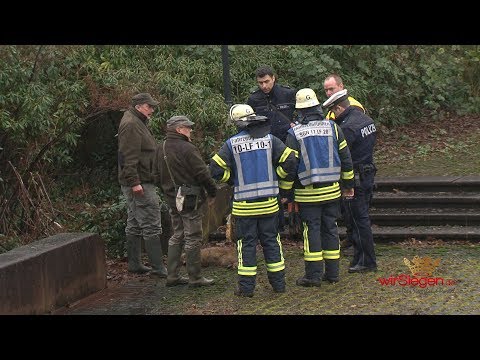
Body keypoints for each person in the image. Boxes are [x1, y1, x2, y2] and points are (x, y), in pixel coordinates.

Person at [210, 104, 298, 297]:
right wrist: (279, 180)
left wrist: (232, 179)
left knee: (246, 246)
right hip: (269, 205)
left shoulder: (231, 144)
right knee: (272, 243)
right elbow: (291, 160)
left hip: (244, 208)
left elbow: (215, 169)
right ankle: (279, 286)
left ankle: (246, 289)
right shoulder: (270, 139)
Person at [284, 88, 355, 286]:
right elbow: (346, 159)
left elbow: (290, 166)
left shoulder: (294, 133)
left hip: (307, 195)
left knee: (312, 232)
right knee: (331, 229)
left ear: (299, 111)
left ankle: (313, 276)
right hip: (332, 191)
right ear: (317, 106)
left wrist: (287, 193)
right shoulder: (333, 128)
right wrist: (349, 185)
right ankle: (332, 274)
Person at [154, 115, 217, 287]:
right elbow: (202, 173)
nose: (191, 130)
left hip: (171, 198)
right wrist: (212, 191)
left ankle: (172, 276)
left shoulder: (161, 147)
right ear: (179, 129)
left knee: (177, 235)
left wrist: (168, 192)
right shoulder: (187, 148)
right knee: (193, 237)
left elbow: (156, 176)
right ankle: (195, 278)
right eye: (188, 127)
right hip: (190, 199)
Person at [323, 89, 378, 273]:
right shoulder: (365, 120)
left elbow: (342, 156)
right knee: (362, 218)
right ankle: (361, 258)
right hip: (368, 174)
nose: (333, 115)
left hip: (355, 179)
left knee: (357, 220)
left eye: (333, 111)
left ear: (339, 108)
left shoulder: (346, 128)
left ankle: (366, 261)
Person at [118, 92, 167, 277]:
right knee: (151, 222)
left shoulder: (136, 121)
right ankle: (158, 268)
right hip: (140, 182)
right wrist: (134, 182)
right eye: (149, 106)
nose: (152, 110)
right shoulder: (131, 124)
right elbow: (126, 156)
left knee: (135, 223)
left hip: (140, 180)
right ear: (139, 106)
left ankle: (135, 264)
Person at [247, 65, 297, 233]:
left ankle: (295, 221)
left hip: (287, 143)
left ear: (274, 78)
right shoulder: (254, 99)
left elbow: (301, 112)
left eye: (267, 82)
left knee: (290, 180)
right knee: (272, 183)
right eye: (260, 83)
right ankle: (278, 223)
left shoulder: (288, 94)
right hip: (265, 146)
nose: (264, 86)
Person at [323, 73, 367, 255]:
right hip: (342, 164)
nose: (328, 92)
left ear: (341, 87)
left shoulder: (352, 107)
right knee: (347, 207)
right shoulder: (332, 109)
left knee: (354, 208)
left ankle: (357, 242)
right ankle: (351, 237)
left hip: (352, 165)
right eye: (325, 90)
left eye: (331, 89)